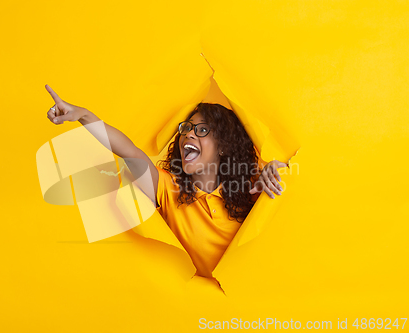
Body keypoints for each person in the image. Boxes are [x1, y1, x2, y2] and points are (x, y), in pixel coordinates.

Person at [45, 84, 288, 279]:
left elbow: (289, 188)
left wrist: (276, 170)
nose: (189, 134)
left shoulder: (248, 189)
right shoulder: (167, 188)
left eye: (202, 130)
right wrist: (83, 115)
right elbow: (127, 150)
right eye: (186, 128)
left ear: (223, 147)